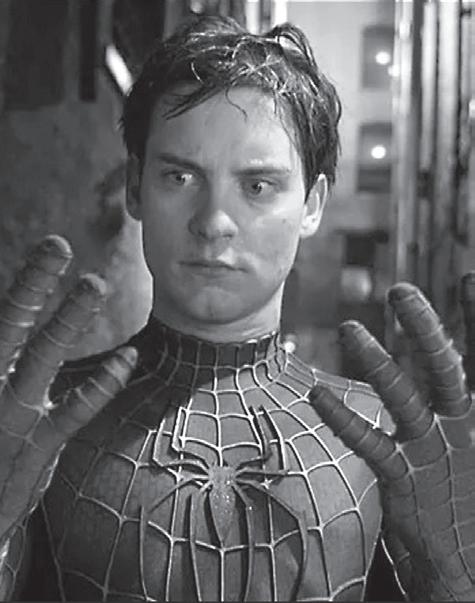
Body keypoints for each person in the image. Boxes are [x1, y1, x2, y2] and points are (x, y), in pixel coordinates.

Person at [0, 15, 473, 602]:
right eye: (180, 176)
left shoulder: (388, 443)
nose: (214, 222)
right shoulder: (42, 424)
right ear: (136, 187)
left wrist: (455, 583)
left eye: (257, 186)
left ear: (312, 203)